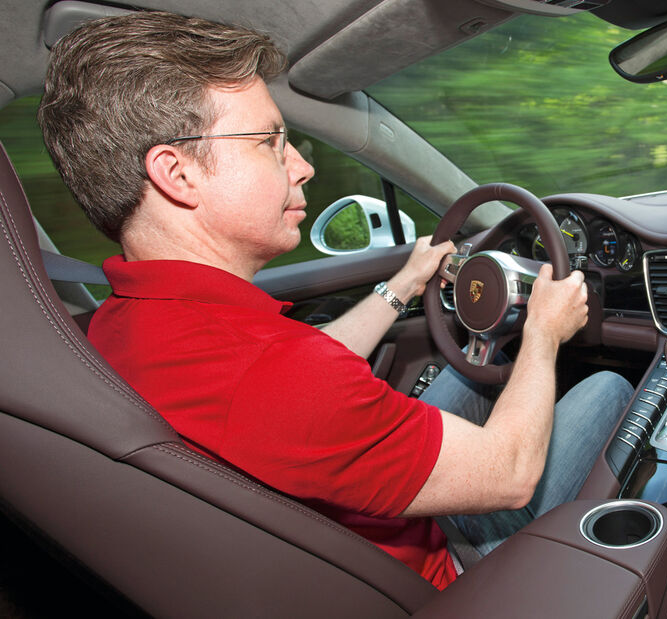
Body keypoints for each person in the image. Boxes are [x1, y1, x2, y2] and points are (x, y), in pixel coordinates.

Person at [37, 11, 633, 590]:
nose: (301, 165)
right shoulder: (277, 375)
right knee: (609, 387)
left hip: (360, 538)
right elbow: (507, 476)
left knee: (472, 380)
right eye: (269, 141)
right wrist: (543, 334)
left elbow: (297, 376)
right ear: (178, 173)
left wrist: (403, 284)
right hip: (451, 575)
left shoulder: (119, 326)